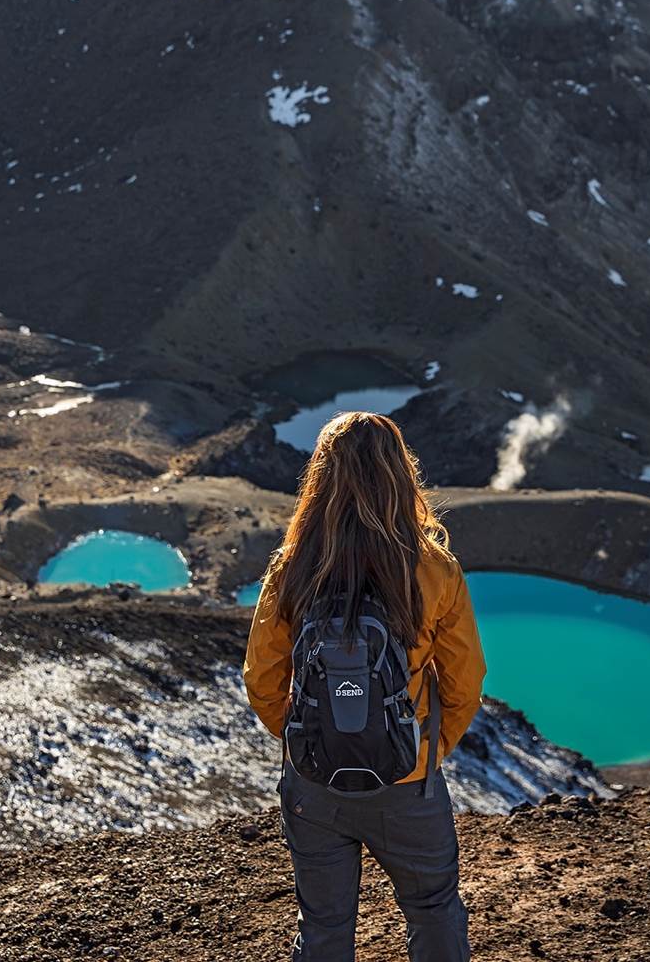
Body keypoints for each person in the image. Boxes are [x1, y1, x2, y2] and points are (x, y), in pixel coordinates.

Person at [243, 411, 487, 962]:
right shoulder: (433, 568)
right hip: (408, 783)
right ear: (401, 475)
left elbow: (262, 679)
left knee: (325, 926)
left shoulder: (292, 568)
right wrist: (426, 751)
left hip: (314, 784)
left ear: (321, 479)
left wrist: (307, 738)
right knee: (434, 910)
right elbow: (465, 681)